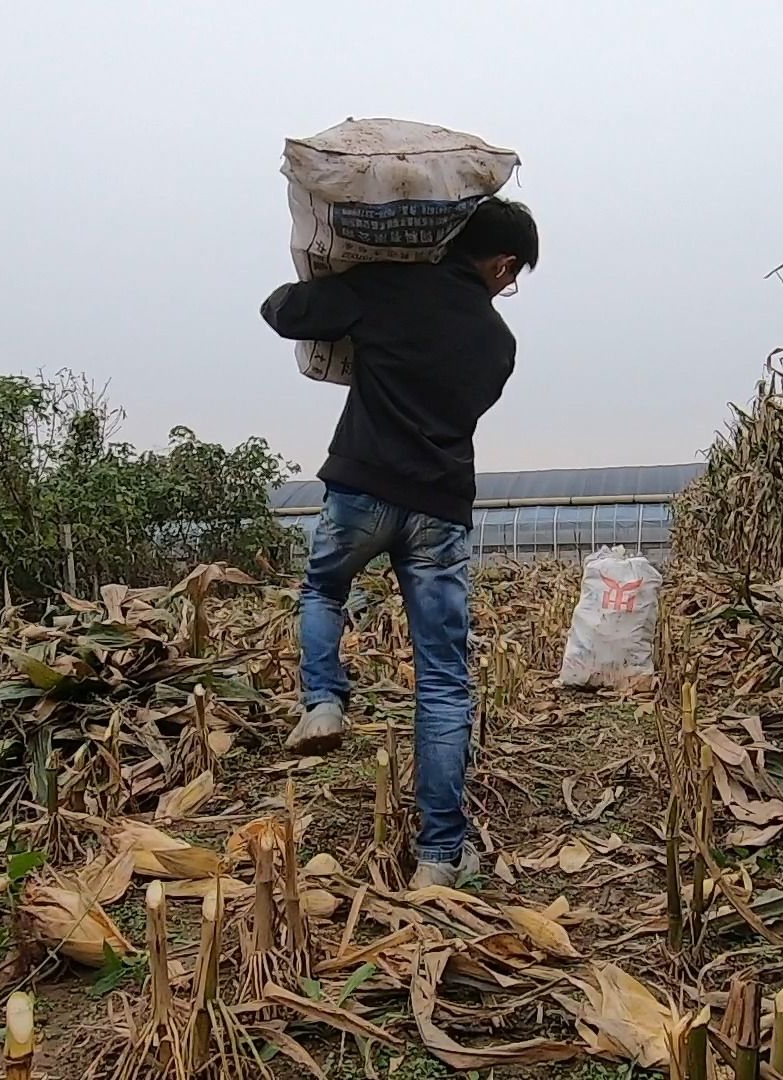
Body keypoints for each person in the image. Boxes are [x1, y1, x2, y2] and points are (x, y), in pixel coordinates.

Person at [259, 196, 538, 888]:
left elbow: (285, 314)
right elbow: (461, 403)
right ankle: (440, 858)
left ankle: (324, 701)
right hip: (439, 509)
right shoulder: (499, 345)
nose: (510, 287)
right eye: (515, 275)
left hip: (361, 489)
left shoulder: (388, 287)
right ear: (501, 263)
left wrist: (336, 282)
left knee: (325, 587)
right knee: (444, 681)